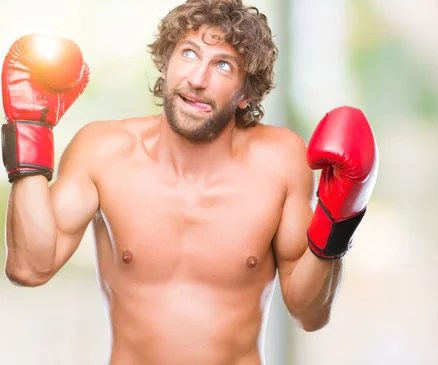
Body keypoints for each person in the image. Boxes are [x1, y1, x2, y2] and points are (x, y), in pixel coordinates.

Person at [2, 0, 378, 364]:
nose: (197, 79)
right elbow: (29, 267)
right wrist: (31, 131)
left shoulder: (280, 161)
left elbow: (309, 314)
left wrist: (339, 221)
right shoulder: (103, 152)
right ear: (165, 63)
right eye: (188, 54)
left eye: (223, 66)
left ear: (246, 94)